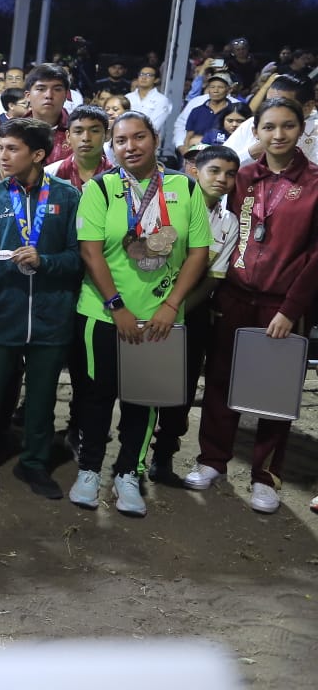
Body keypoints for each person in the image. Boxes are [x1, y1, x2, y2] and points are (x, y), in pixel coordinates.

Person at [69, 111, 211, 517]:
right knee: (96, 396)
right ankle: (89, 469)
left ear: (155, 139)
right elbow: (90, 252)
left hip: (160, 318)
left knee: (144, 400)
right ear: (112, 146)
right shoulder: (101, 188)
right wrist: (117, 307)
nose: (130, 147)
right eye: (121, 140)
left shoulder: (185, 187)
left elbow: (198, 252)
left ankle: (128, 472)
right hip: (102, 313)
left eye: (139, 137)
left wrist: (170, 306)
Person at [189, 99, 318, 513]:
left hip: (282, 304)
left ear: (301, 130)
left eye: (288, 126)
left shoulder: (315, 183)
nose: (278, 135)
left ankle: (265, 476)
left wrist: (291, 309)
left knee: (273, 390)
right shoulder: (242, 176)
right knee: (220, 379)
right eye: (269, 127)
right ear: (256, 131)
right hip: (233, 295)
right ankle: (212, 460)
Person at [0, 119, 81, 497]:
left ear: (38, 154)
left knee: (43, 397)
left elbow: (78, 257)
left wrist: (44, 261)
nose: (2, 154)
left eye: (12, 148)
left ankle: (34, 463)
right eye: (0, 147)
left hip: (51, 313)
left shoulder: (67, 197)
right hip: (3, 310)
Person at [142, 144, 239, 483]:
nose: (222, 179)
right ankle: (132, 455)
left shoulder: (228, 222)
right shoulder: (169, 205)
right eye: (214, 170)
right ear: (195, 171)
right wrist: (160, 306)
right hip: (148, 303)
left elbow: (213, 278)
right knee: (144, 382)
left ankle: (163, 456)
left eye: (230, 174)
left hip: (190, 312)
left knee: (180, 389)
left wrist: (177, 308)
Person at [45, 105, 111, 189]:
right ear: (68, 136)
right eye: (78, 131)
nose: (86, 138)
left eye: (94, 131)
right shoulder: (49, 174)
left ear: (107, 135)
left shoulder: (120, 175)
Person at [24, 64, 73, 164]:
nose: (49, 95)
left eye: (57, 89)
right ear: (28, 96)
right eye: (41, 89)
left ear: (66, 95)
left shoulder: (78, 131)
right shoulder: (12, 131)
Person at [127, 64, 172, 133]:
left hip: (148, 136)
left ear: (156, 80)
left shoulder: (162, 100)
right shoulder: (128, 97)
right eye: (141, 74)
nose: (144, 77)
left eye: (149, 75)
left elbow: (155, 125)